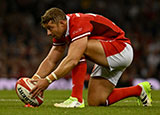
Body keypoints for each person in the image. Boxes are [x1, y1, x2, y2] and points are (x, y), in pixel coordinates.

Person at [30, 7, 152, 108]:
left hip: (121, 49)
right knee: (96, 101)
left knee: (78, 50)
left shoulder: (78, 23)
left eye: (50, 28)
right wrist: (33, 81)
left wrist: (47, 81)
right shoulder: (62, 31)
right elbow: (51, 60)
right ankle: (139, 90)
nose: (49, 33)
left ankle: (76, 99)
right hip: (106, 53)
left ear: (62, 23)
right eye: (47, 29)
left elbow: (73, 60)